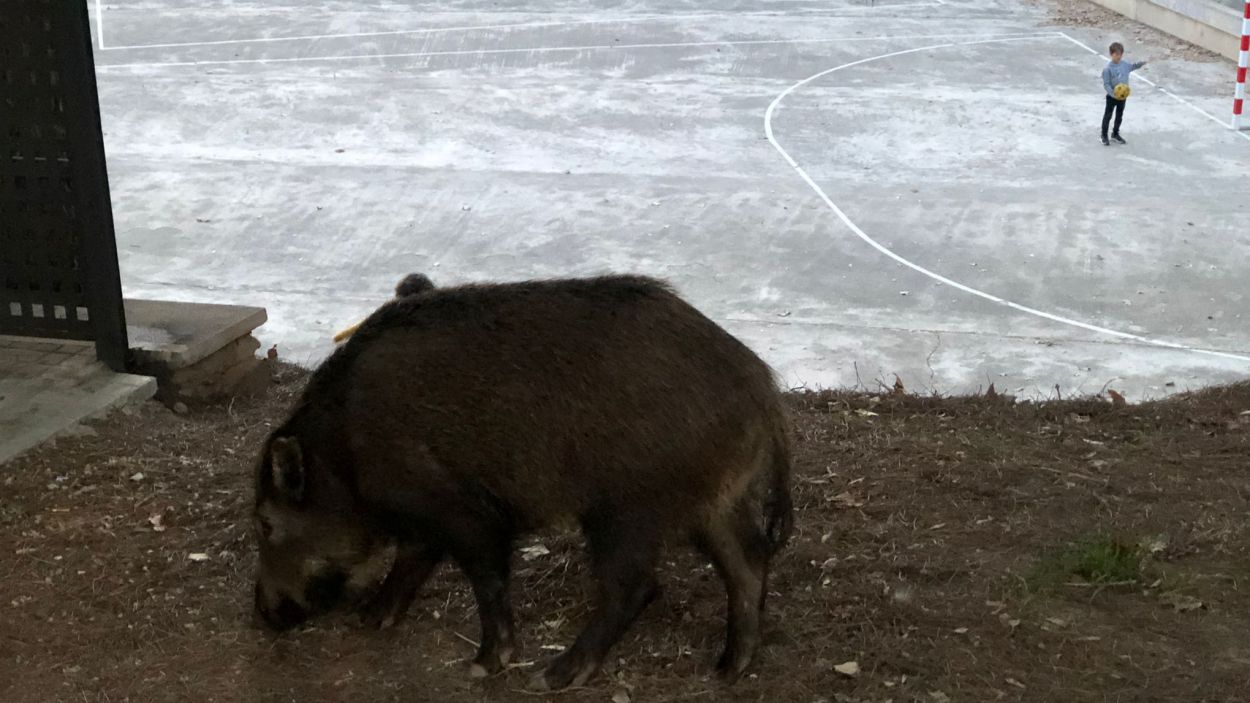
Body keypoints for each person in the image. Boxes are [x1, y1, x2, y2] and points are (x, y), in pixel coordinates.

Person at [1101, 42, 1147, 146]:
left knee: (1119, 116)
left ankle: (1115, 134)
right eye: (1116, 54)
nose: (1118, 56)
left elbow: (1133, 66)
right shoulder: (1107, 69)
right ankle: (1104, 135)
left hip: (1122, 96)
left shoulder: (1125, 65)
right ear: (1111, 54)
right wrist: (1113, 94)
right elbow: (1106, 84)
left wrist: (1142, 63)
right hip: (1112, 97)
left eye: (1120, 54)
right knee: (1108, 116)